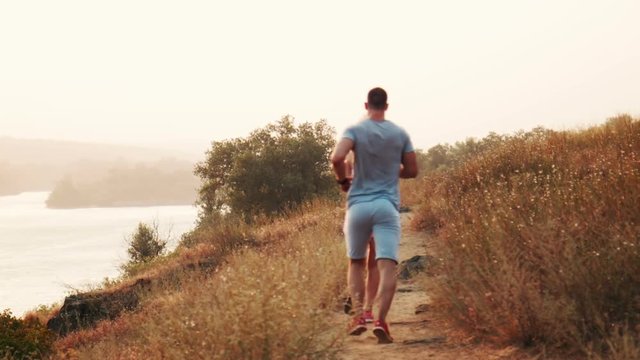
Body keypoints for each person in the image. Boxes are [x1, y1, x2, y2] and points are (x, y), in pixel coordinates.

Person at [331, 87, 418, 344]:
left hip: (357, 207)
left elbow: (337, 157)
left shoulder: (355, 130)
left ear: (366, 105)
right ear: (387, 106)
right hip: (386, 207)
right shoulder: (400, 133)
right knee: (386, 264)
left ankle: (359, 317)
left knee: (356, 263)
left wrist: (343, 181)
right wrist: (391, 170)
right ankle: (380, 320)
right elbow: (412, 170)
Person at [344, 152, 379, 324]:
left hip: (358, 210)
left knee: (356, 263)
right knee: (374, 263)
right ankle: (368, 310)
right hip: (381, 210)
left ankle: (358, 313)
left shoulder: (351, 157)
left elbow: (345, 185)